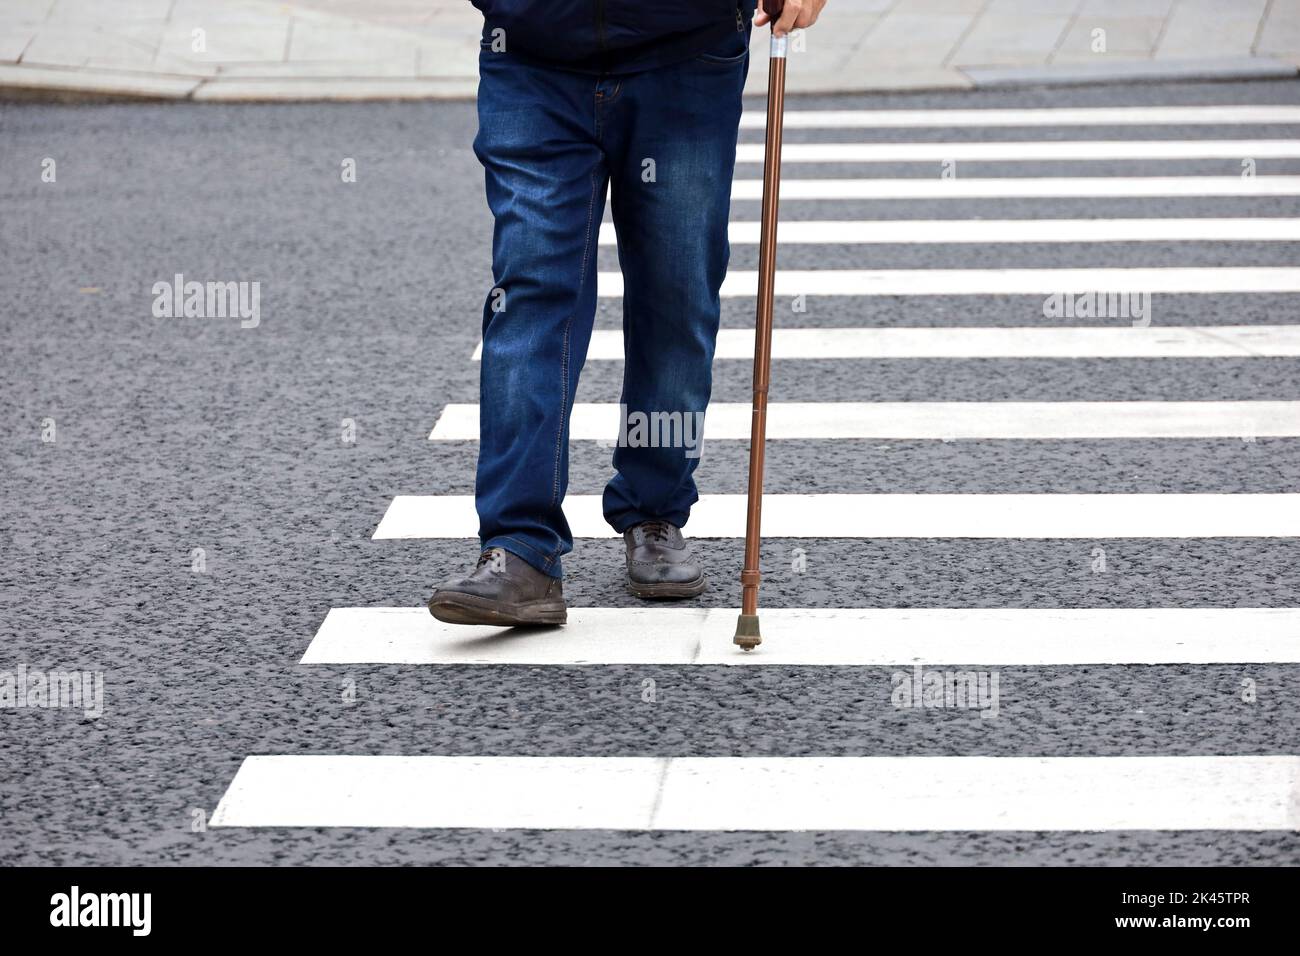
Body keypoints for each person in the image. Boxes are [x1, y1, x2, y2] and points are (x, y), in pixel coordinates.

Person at [430, 0, 827, 626]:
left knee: (677, 290)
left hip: (685, 51)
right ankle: (518, 546)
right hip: (532, 48)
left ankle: (655, 510)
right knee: (530, 292)